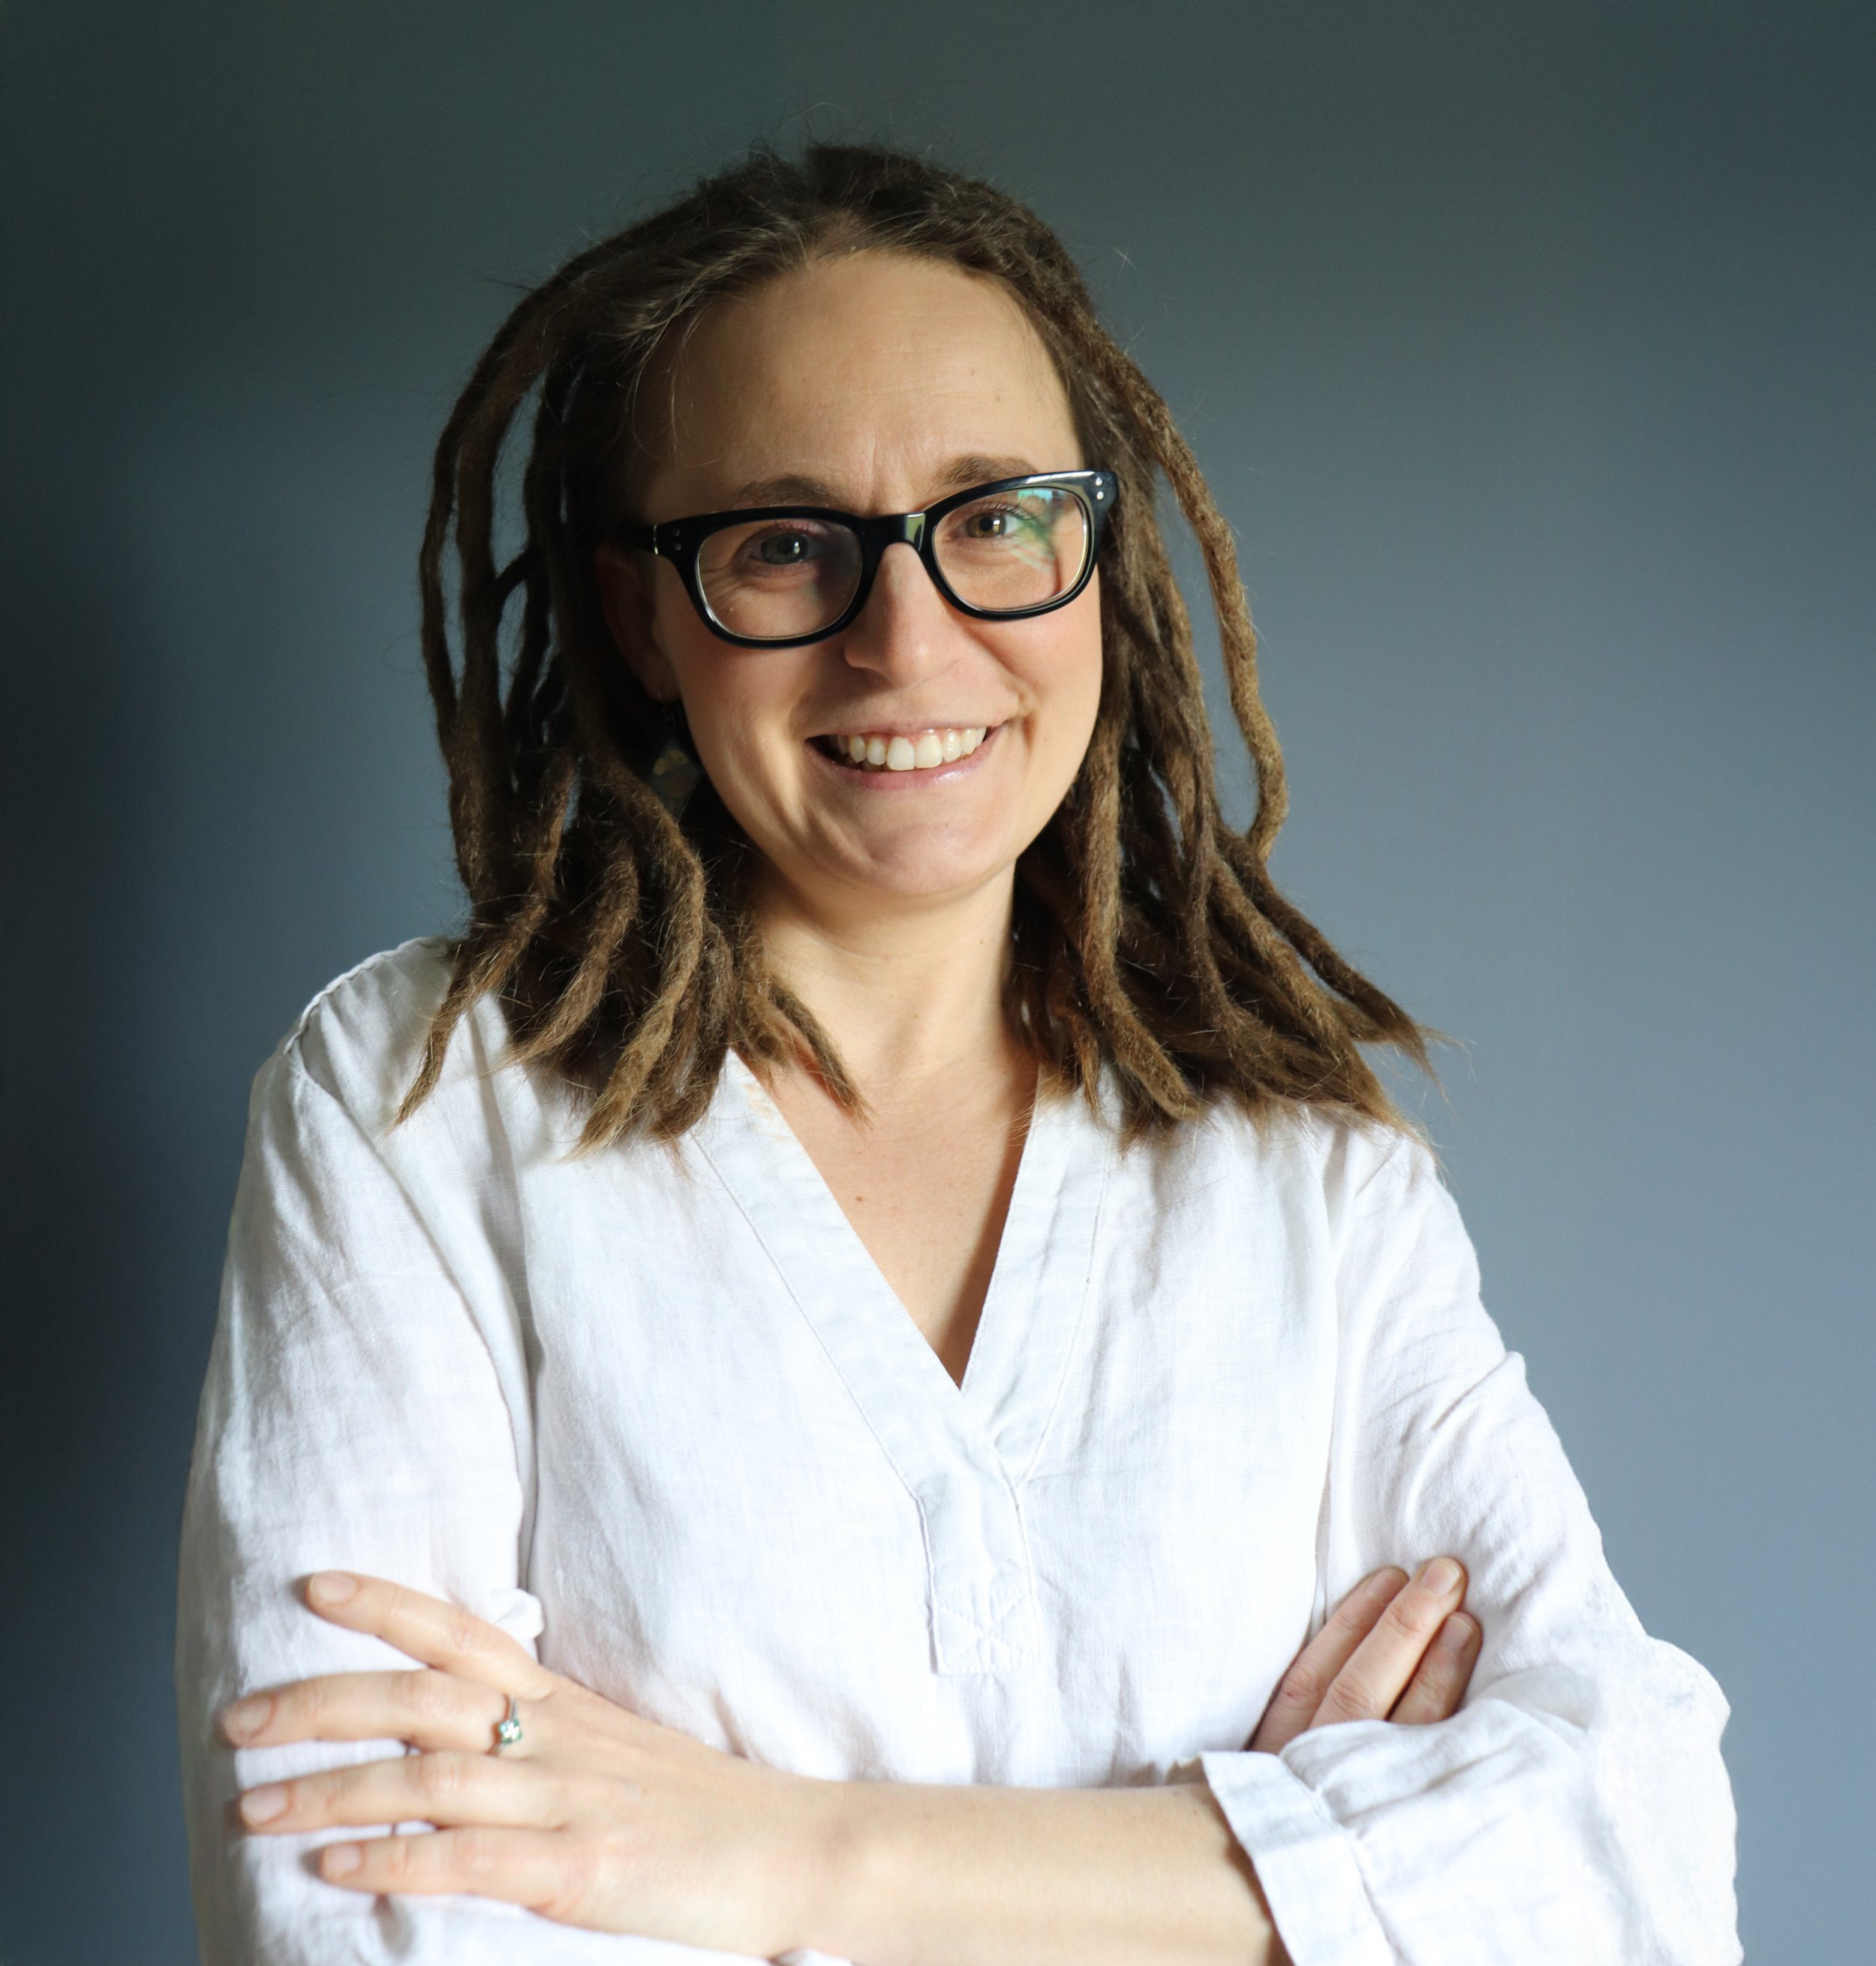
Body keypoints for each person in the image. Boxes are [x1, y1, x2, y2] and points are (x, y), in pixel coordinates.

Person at [174, 143, 1739, 1964]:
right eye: (779, 544)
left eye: (992, 518)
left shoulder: (1312, 1174)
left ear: (1091, 555)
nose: (905, 638)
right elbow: (356, 1911)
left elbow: (1630, 1857)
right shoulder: (412, 1105)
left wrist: (784, 1857)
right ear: (641, 613)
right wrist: (1271, 1883)